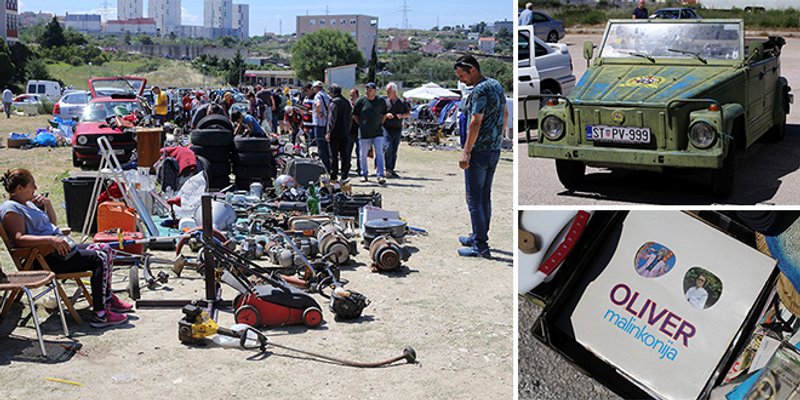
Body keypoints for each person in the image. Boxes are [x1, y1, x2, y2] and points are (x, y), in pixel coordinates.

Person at [0, 169, 133, 328]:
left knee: (106, 249)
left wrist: (47, 205)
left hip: (58, 250)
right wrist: (50, 239)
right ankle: (101, 314)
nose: (35, 187)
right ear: (19, 189)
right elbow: (19, 239)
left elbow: (52, 225)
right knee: (99, 258)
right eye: (31, 185)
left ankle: (107, 298)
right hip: (44, 258)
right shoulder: (11, 209)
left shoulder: (28, 203)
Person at [454, 55, 507, 258]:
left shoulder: (479, 90)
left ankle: (480, 245)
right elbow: (505, 115)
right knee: (485, 196)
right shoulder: (495, 85)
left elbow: (475, 121)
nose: (461, 81)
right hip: (494, 148)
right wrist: (497, 138)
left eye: (462, 76)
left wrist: (466, 151)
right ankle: (479, 234)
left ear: (473, 70)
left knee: (474, 199)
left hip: (479, 151)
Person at [352, 82, 387, 185]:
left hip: (377, 132)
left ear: (375, 90)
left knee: (379, 153)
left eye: (370, 89)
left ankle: (380, 175)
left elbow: (384, 114)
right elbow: (355, 115)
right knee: (363, 154)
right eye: (367, 89)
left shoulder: (380, 101)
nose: (368, 91)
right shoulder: (361, 101)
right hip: (364, 133)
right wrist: (361, 124)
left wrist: (380, 123)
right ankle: (364, 174)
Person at [382, 82, 411, 179]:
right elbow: (381, 114)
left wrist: (402, 116)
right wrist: (386, 115)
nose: (387, 93)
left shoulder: (402, 102)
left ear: (394, 91)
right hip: (386, 128)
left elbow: (408, 113)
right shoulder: (385, 102)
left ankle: (391, 169)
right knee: (388, 148)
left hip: (397, 129)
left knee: (394, 150)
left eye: (389, 91)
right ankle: (387, 169)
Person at [326, 84, 353, 181]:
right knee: (344, 155)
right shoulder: (347, 102)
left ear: (333, 92)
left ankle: (334, 174)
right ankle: (345, 174)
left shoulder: (334, 103)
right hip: (345, 132)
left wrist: (328, 132)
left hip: (335, 133)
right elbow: (350, 118)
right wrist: (347, 129)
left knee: (333, 155)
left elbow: (331, 119)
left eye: (329, 92)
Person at [312, 81, 332, 171]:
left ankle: (323, 167)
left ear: (316, 88)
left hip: (319, 124)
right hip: (327, 124)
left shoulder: (318, 96)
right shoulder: (328, 96)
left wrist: (319, 112)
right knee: (327, 147)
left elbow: (318, 104)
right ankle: (329, 165)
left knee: (321, 147)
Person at [349, 88, 361, 177]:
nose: (351, 97)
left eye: (353, 95)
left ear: (357, 95)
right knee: (347, 151)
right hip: (349, 131)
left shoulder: (361, 105)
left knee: (359, 151)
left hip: (359, 131)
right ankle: (347, 167)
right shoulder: (348, 105)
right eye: (350, 95)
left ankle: (360, 168)